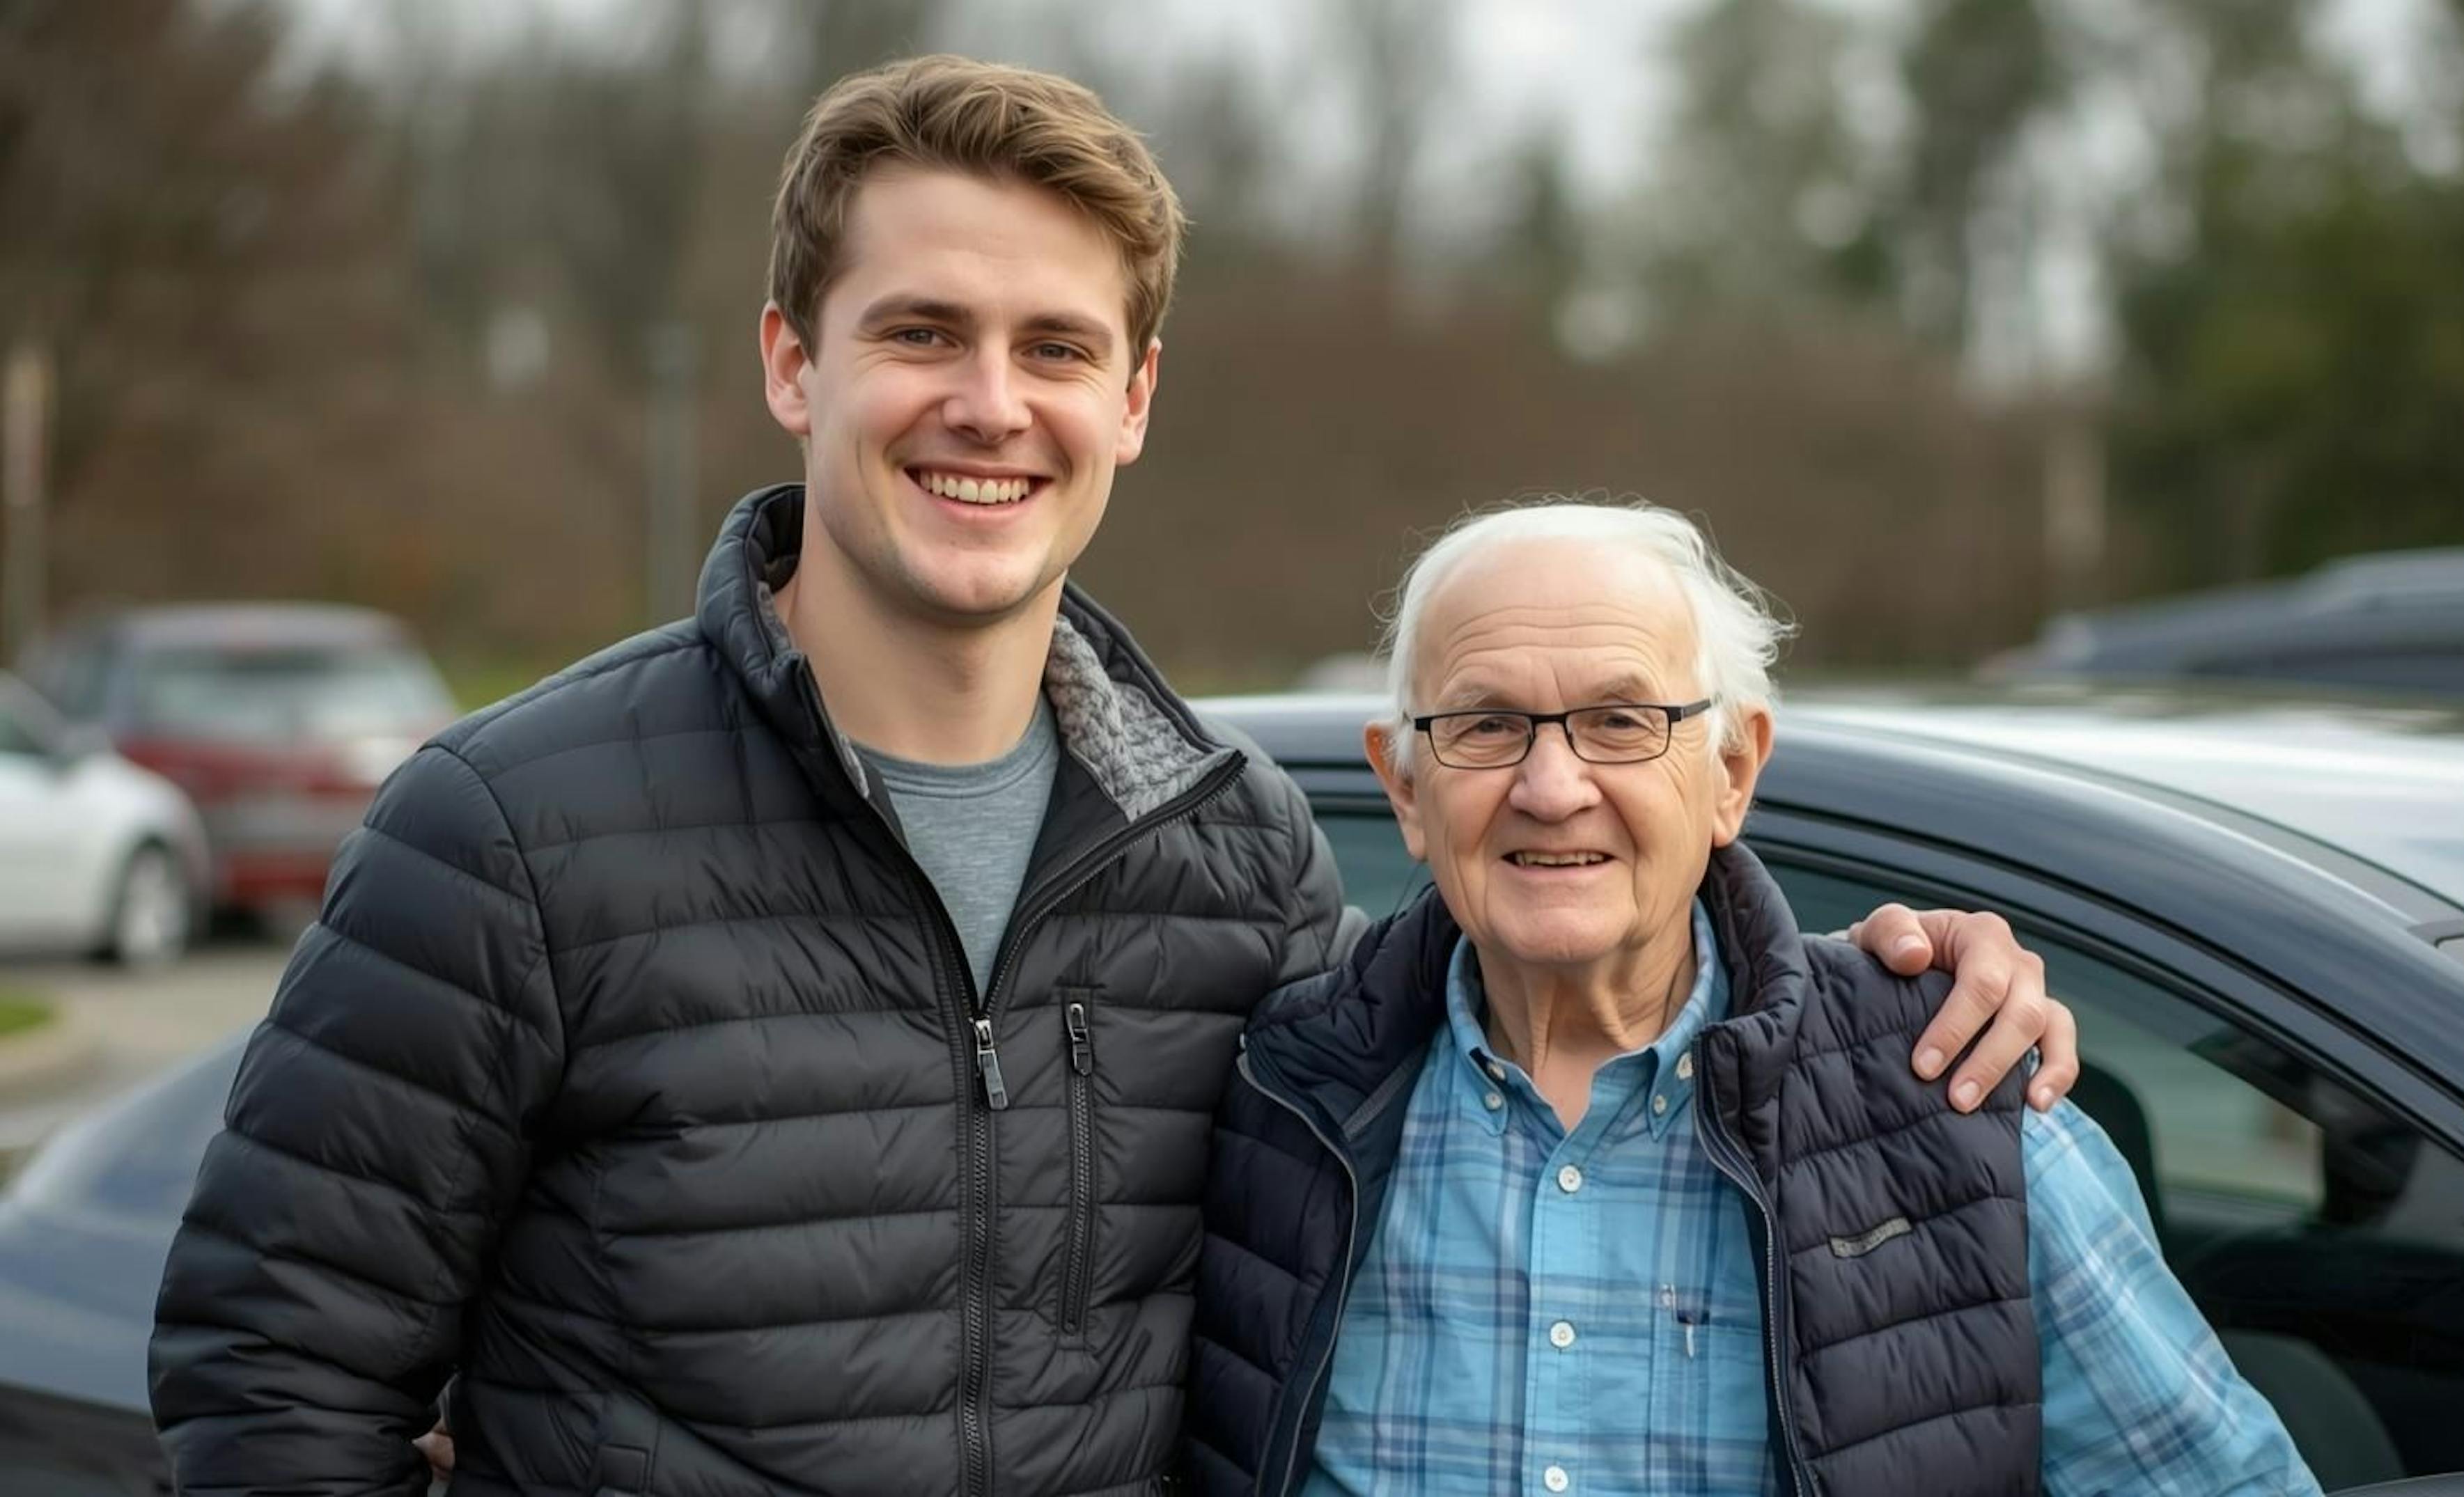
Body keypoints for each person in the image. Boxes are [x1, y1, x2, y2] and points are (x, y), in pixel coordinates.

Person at [147, 58, 2077, 1497]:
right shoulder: (508, 830)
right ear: (791, 364)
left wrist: (1898, 983)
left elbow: (1535, 1026)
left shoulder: (1233, 850)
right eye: (921, 332)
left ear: (1134, 400)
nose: (993, 402)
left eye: (1057, 346)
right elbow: (272, 1389)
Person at [1188, 502, 2321, 1497]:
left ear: (1732, 771)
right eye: (1486, 725)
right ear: (1405, 787)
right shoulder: (1271, 1102)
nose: (1550, 786)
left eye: (1621, 720)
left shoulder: (1953, 1097)